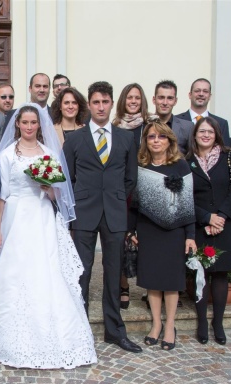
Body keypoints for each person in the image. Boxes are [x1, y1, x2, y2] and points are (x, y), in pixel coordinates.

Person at [0, 103, 97, 368]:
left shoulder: (49, 153)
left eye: (34, 123)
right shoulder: (7, 154)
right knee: (11, 270)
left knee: (48, 270)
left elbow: (59, 194)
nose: (29, 127)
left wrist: (49, 188)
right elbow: (1, 195)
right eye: (25, 122)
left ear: (39, 126)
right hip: (15, 217)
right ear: (17, 124)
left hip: (42, 216)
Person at [63, 81, 142, 353]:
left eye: (105, 102)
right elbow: (67, 179)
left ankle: (114, 331)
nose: (100, 106)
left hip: (115, 213)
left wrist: (117, 197)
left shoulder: (126, 138)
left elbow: (131, 178)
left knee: (113, 272)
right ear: (90, 104)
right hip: (84, 213)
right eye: (95, 102)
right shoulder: (75, 139)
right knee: (81, 272)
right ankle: (79, 330)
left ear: (111, 104)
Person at [128, 121, 196, 350]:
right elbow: (134, 205)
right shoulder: (140, 166)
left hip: (174, 231)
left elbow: (188, 205)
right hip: (148, 230)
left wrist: (190, 235)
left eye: (161, 137)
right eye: (151, 137)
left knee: (170, 282)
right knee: (153, 281)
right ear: (145, 142)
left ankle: (170, 326)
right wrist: (132, 230)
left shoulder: (181, 166)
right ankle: (156, 324)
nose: (156, 140)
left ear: (170, 141)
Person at [187, 116, 231, 345]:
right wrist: (207, 217)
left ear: (216, 135)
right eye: (201, 131)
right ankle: (202, 321)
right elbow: (184, 197)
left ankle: (218, 323)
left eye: (210, 132)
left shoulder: (230, 156)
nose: (205, 135)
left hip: (226, 224)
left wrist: (221, 217)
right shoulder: (186, 160)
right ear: (194, 135)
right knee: (201, 273)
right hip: (200, 223)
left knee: (221, 273)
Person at [112, 82, 156, 309]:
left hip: (148, 188)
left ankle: (151, 289)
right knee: (122, 242)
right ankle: (123, 286)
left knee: (149, 241)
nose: (133, 101)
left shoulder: (151, 125)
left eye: (137, 98)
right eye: (129, 97)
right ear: (122, 100)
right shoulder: (115, 126)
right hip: (124, 191)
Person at [176, 78, 230, 144]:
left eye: (205, 91)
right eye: (197, 91)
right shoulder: (176, 120)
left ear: (210, 96)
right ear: (190, 95)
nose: (201, 94)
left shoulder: (221, 123)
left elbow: (225, 150)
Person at [152, 80, 193, 154]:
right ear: (154, 100)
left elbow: (191, 156)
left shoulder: (187, 127)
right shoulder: (145, 124)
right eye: (161, 98)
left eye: (170, 98)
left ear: (175, 101)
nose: (165, 103)